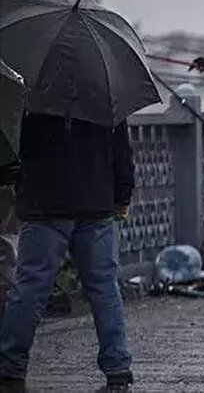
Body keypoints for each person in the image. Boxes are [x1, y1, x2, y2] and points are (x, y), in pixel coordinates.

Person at [0, 113, 135, 391]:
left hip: (44, 204)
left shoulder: (34, 88)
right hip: (95, 203)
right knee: (103, 288)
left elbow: (14, 147)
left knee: (29, 289)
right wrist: (123, 194)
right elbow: (121, 147)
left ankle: (10, 368)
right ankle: (118, 370)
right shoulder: (105, 86)